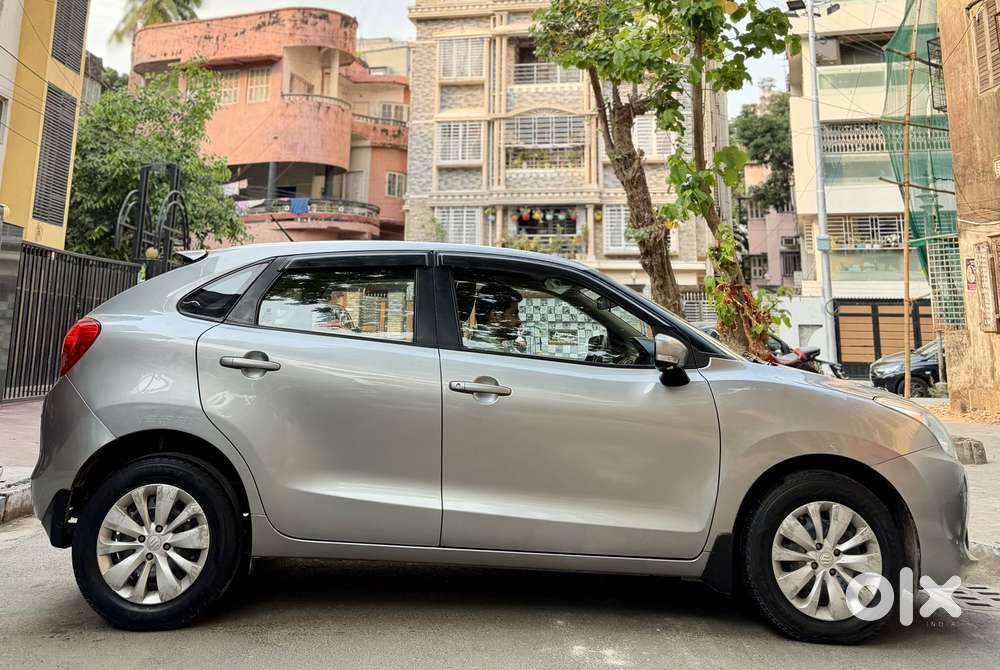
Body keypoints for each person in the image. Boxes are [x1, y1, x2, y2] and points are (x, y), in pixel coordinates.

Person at [457, 282, 527, 353]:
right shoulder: (488, 352)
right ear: (495, 315)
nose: (519, 321)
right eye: (513, 314)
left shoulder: (487, 348)